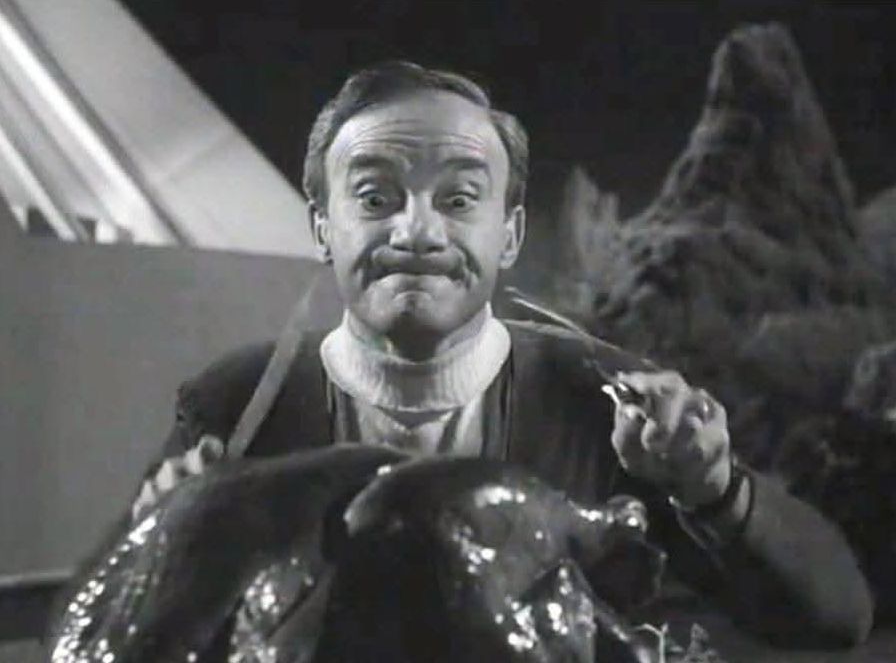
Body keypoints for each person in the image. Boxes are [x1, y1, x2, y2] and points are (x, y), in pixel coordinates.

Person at [127, 61, 872, 647]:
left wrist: (713, 489)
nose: (417, 233)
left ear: (509, 233)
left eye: (458, 201)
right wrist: (161, 545)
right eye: (376, 198)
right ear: (322, 225)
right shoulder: (237, 408)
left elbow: (833, 620)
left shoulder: (610, 402)